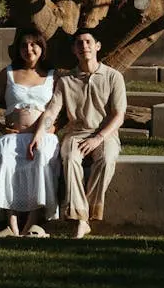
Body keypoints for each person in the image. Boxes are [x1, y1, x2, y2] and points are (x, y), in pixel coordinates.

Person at [30, 28, 126, 239]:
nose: (84, 47)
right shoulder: (65, 81)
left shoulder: (113, 77)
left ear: (97, 46)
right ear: (74, 50)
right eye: (79, 43)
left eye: (88, 42)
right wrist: (39, 133)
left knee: (107, 159)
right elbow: (51, 111)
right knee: (70, 158)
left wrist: (98, 138)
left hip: (105, 134)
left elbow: (119, 115)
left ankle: (86, 214)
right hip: (75, 134)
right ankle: (82, 220)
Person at [0, 29, 60, 237]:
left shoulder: (53, 75)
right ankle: (12, 225)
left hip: (42, 136)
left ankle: (32, 224)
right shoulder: (8, 73)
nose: (28, 49)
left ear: (42, 48)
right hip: (13, 136)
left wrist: (52, 128)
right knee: (5, 156)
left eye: (34, 44)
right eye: (24, 45)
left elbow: (63, 110)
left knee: (41, 156)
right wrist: (1, 128)